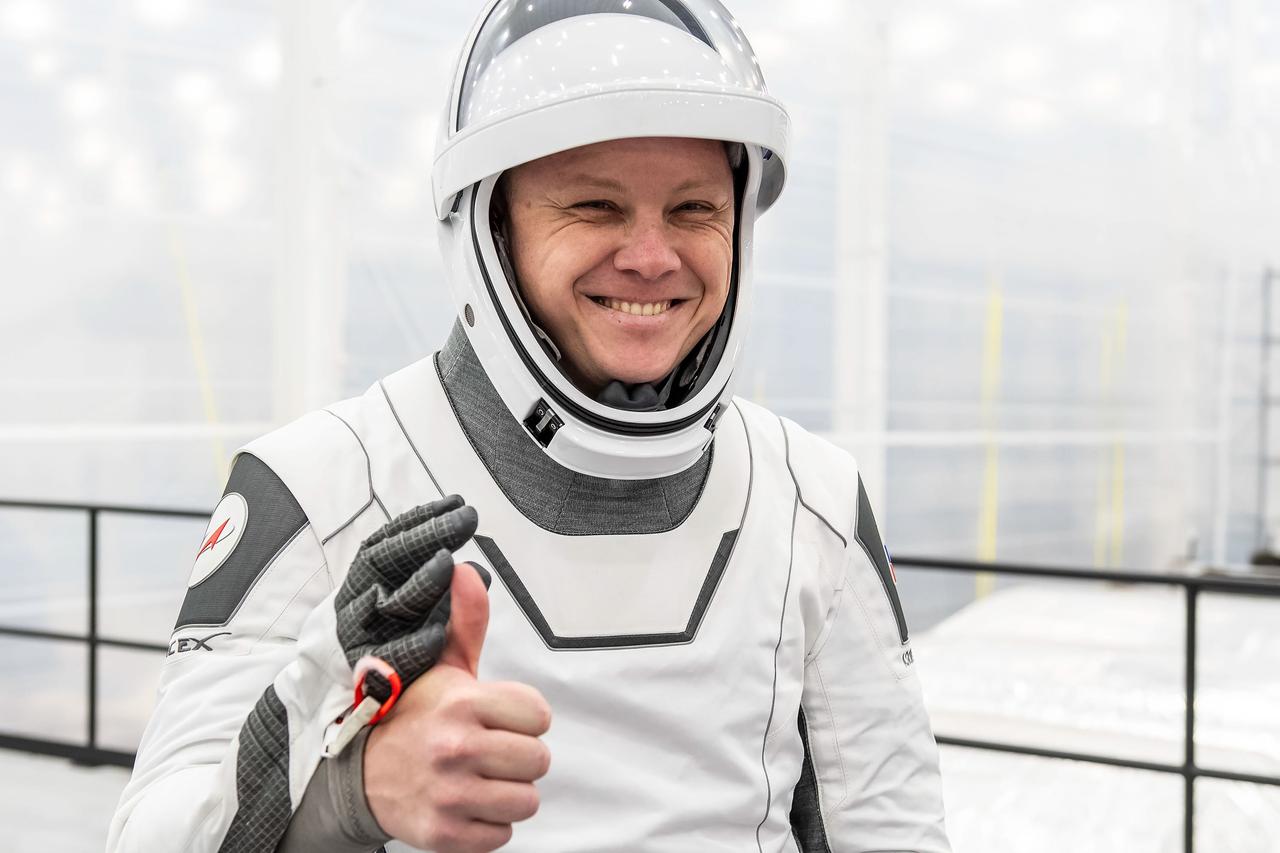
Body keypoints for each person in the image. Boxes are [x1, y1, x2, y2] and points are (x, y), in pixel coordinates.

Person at [108, 1, 951, 851]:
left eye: (695, 210)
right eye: (595, 205)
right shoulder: (323, 483)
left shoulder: (812, 494)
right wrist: (343, 785)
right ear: (490, 226)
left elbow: (893, 826)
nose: (652, 257)